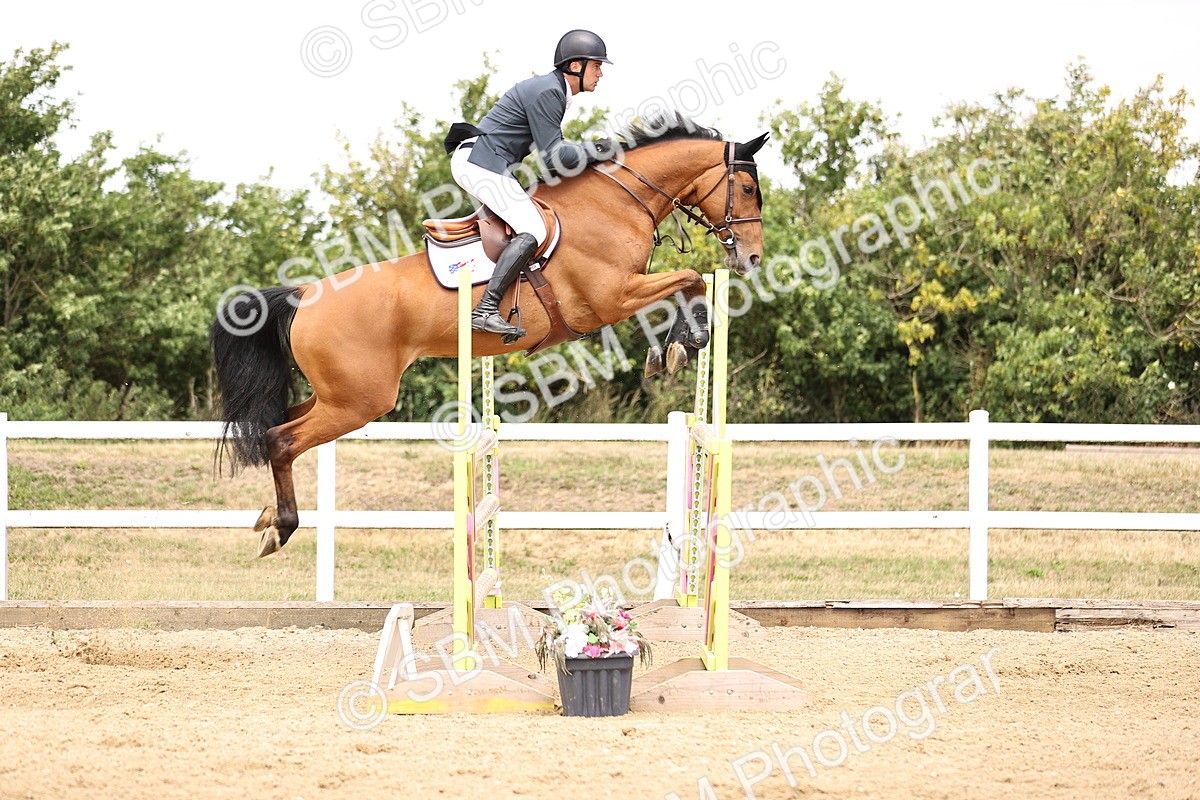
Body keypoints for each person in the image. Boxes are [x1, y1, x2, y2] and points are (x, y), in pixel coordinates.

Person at [445, 29, 612, 341]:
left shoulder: (554, 91)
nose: (601, 73)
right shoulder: (549, 91)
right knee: (534, 228)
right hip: (480, 163)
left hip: (486, 162)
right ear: (575, 66)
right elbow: (553, 157)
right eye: (597, 65)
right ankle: (485, 309)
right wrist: (600, 149)